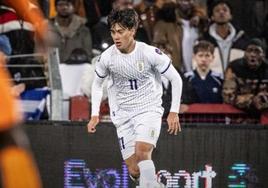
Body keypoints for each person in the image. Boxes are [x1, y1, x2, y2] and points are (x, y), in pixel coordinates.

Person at [87, 8, 182, 188]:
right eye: (113, 31)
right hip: (122, 115)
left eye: (121, 31)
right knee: (134, 170)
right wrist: (94, 114)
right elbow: (97, 84)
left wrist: (174, 111)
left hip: (148, 109)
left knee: (142, 152)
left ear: (132, 30)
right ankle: (155, 185)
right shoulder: (107, 58)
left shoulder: (149, 53)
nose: (116, 36)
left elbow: (175, 78)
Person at [202, 0, 249, 75]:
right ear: (212, 17)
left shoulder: (242, 40)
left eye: (225, 10)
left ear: (230, 15)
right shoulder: (204, 40)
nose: (221, 12)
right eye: (217, 10)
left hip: (235, 83)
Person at [223, 38, 268, 113]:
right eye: (249, 50)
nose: (253, 54)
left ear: (263, 54)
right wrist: (251, 100)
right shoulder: (234, 67)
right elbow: (228, 96)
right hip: (239, 115)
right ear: (244, 53)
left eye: (257, 51)